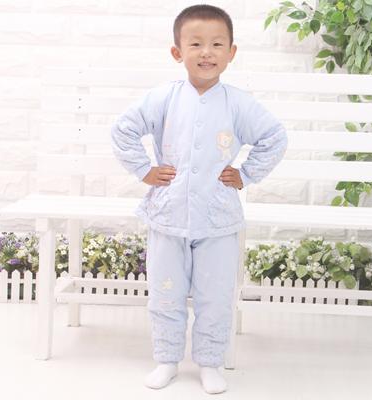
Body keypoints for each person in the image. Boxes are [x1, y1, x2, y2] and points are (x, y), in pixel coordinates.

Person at [111, 4, 288, 394]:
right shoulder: (163, 98)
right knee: (166, 292)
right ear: (178, 52)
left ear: (231, 52)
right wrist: (144, 170)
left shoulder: (238, 104)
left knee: (216, 296)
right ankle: (167, 359)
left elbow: (275, 137)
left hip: (217, 220)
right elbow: (123, 130)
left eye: (216, 44)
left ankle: (210, 361)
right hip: (168, 217)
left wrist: (246, 174)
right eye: (195, 44)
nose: (206, 52)